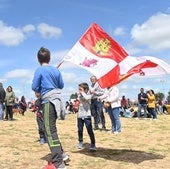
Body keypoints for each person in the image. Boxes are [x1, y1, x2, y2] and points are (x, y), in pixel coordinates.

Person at [32, 47, 67, 169]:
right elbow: (61, 85)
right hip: (57, 101)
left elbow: (34, 86)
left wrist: (38, 91)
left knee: (49, 131)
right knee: (52, 130)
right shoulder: (55, 71)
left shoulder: (39, 70)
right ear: (50, 58)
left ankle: (58, 163)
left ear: (38, 59)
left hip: (48, 102)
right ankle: (62, 154)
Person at [77, 82, 96, 151]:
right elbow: (79, 98)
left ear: (85, 89)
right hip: (80, 115)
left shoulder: (89, 95)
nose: (79, 90)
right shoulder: (79, 95)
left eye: (80, 89)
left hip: (87, 115)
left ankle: (93, 144)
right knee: (80, 130)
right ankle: (80, 141)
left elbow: (87, 97)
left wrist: (82, 92)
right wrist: (81, 93)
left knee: (89, 130)